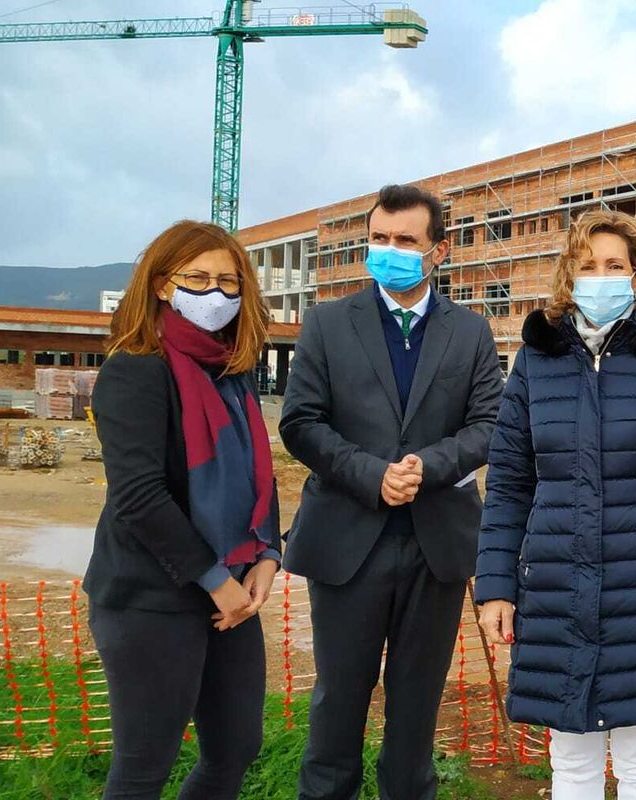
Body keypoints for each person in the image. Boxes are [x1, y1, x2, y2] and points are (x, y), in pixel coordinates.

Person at [474, 209, 636, 800]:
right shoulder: (535, 361)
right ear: (569, 274)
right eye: (588, 265)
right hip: (555, 584)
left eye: (615, 264)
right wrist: (494, 586)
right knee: (571, 753)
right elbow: (510, 481)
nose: (601, 276)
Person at [281, 184, 504, 800]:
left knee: (416, 711)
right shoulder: (328, 324)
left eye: (406, 240)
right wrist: (371, 474)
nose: (390, 250)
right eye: (380, 239)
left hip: (436, 548)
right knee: (337, 703)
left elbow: (489, 424)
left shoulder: (470, 332)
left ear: (438, 250)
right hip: (347, 542)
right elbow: (301, 422)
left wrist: (425, 466)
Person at [86, 220, 281, 799]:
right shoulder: (135, 370)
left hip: (233, 592)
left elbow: (256, 478)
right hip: (152, 595)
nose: (215, 293)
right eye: (198, 278)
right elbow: (139, 495)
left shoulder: (233, 376)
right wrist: (215, 579)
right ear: (163, 284)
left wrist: (267, 554)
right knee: (146, 765)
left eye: (229, 281)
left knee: (235, 749)